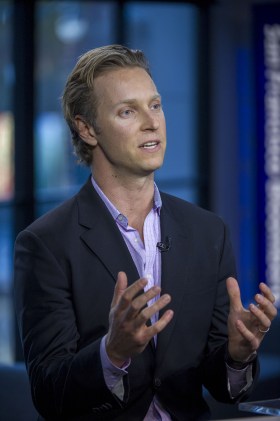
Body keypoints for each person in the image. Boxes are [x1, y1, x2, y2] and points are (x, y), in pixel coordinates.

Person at [14, 44, 277, 421]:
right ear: (87, 128)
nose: (151, 122)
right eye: (127, 111)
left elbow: (222, 386)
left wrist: (238, 355)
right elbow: (49, 394)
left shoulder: (208, 232)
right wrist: (112, 352)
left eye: (155, 105)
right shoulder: (45, 244)